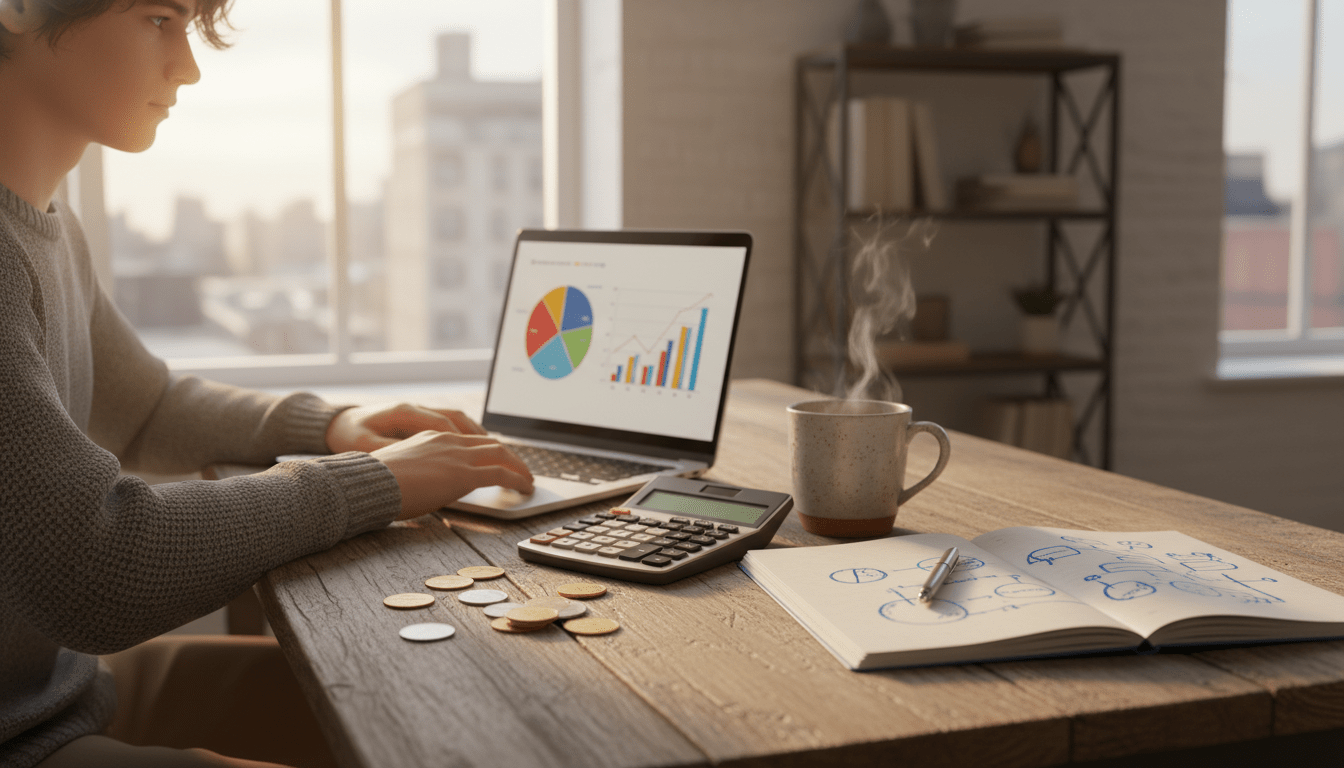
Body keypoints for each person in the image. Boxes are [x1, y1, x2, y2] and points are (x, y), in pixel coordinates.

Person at [0, 1, 535, 765]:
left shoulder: (51, 223)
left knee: (457, 708)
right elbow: (95, 567)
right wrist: (370, 482)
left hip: (70, 697)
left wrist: (329, 426)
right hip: (23, 741)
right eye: (160, 18)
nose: (186, 66)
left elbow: (146, 408)